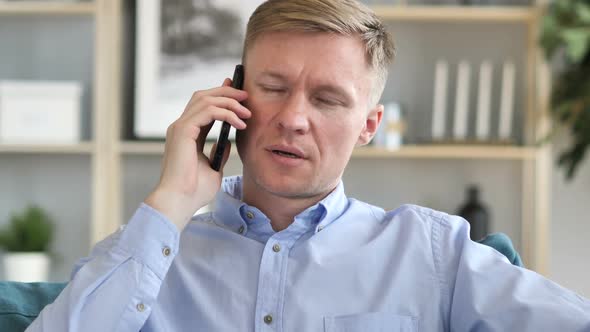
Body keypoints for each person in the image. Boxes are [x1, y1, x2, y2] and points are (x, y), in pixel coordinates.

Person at [28, 0, 590, 331]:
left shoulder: (433, 252)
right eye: (273, 87)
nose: (294, 118)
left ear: (369, 125)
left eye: (327, 99)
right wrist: (173, 200)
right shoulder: (148, 254)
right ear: (233, 96)